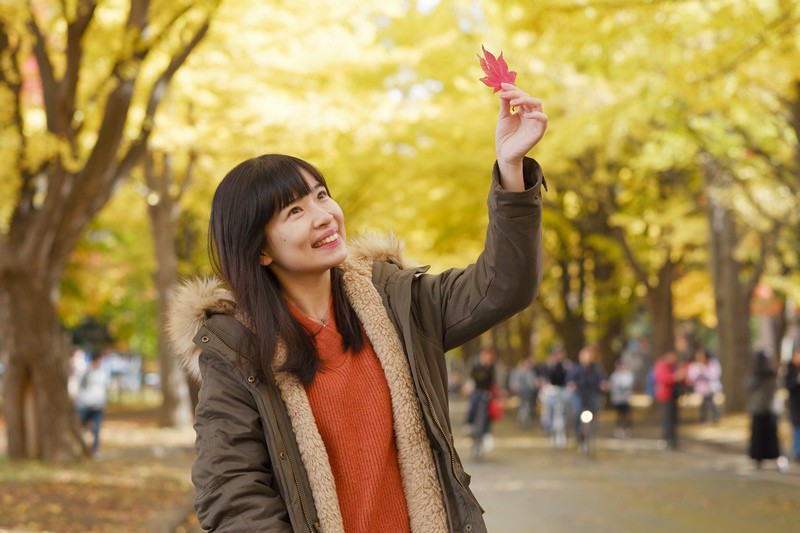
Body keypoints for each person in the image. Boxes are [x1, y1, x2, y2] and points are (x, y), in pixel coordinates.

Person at [166, 83, 548, 532]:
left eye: (322, 195)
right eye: (294, 211)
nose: (324, 214)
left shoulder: (399, 302)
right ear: (260, 251)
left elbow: (504, 285)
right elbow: (230, 491)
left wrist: (511, 169)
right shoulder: (237, 352)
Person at [746, 351, 786, 471]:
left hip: (761, 408)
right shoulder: (770, 374)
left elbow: (748, 387)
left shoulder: (756, 374)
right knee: (771, 435)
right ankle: (773, 457)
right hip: (769, 408)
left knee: (760, 435)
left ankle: (760, 458)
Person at [567, 346, 608, 441]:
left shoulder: (596, 368)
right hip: (579, 393)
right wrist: (571, 385)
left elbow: (602, 378)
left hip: (592, 393)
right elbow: (570, 380)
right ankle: (578, 433)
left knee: (595, 410)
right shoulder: (575, 368)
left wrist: (604, 384)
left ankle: (592, 431)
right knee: (577, 412)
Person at [75, 349, 109, 457]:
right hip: (84, 404)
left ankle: (94, 450)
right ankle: (79, 448)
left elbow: (104, 388)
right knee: (80, 427)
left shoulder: (103, 372)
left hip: (97, 405)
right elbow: (79, 386)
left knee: (96, 429)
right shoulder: (85, 371)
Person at [653, 350, 686, 450]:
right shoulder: (662, 365)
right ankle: (666, 439)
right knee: (667, 418)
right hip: (665, 396)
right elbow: (662, 378)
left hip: (673, 395)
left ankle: (673, 439)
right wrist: (674, 377)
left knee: (673, 419)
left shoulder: (674, 366)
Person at [686, 347, 722, 424]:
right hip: (701, 387)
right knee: (705, 402)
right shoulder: (695, 365)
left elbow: (716, 374)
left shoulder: (713, 363)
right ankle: (706, 418)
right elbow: (691, 376)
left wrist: (705, 374)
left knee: (709, 401)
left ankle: (712, 417)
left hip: (711, 386)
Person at [608, 357, 635, 438]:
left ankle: (627, 430)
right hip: (617, 399)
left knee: (627, 415)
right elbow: (613, 386)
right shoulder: (614, 375)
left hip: (626, 399)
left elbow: (630, 384)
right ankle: (619, 430)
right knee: (619, 415)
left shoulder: (628, 375)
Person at [509, 356, 538, 429]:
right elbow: (513, 383)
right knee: (524, 405)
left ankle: (526, 420)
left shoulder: (530, 372)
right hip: (521, 392)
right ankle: (524, 420)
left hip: (529, 392)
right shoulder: (516, 372)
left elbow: (532, 383)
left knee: (526, 406)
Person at [784, 347, 800, 462]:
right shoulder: (789, 370)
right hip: (795, 403)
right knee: (796, 427)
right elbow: (787, 385)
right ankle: (797, 451)